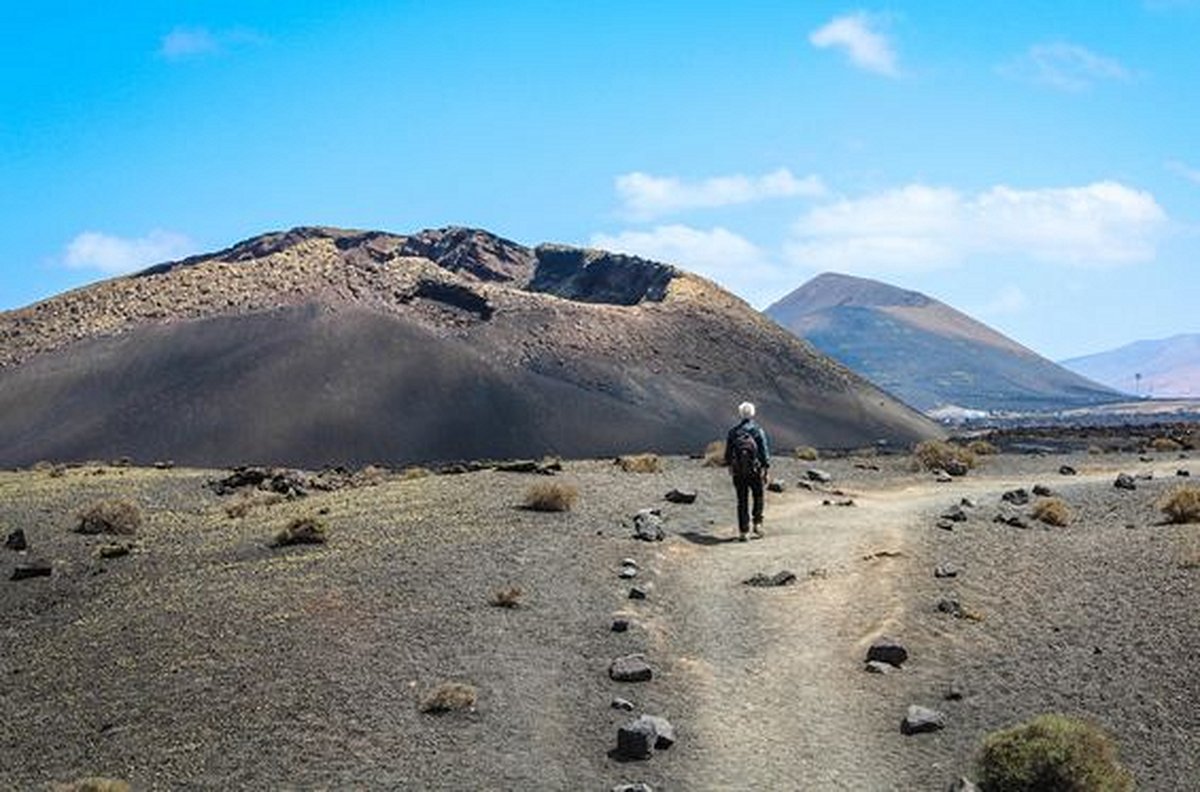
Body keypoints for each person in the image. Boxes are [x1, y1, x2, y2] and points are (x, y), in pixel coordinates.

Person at [725, 401, 770, 541]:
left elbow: (727, 454)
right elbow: (764, 452)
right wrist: (766, 469)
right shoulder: (758, 431)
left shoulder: (733, 432)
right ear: (753, 413)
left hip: (739, 472)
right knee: (758, 496)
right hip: (755, 471)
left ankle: (743, 532)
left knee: (742, 500)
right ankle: (757, 524)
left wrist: (731, 466)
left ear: (740, 414)